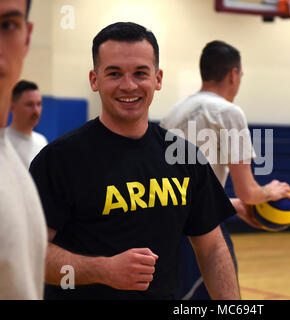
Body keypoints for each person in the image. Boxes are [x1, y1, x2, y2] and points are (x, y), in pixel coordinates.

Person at [29, 22, 240, 300]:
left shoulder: (184, 156)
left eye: (140, 73)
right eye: (114, 73)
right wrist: (101, 269)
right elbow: (31, 253)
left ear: (158, 78)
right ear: (95, 79)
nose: (128, 85)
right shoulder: (58, 160)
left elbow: (212, 248)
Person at [160, 40, 290, 299]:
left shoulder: (172, 114)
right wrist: (269, 191)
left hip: (168, 228)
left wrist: (229, 204)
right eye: (241, 75)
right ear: (234, 74)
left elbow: (182, 189)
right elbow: (248, 191)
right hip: (202, 233)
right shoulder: (228, 112)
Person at [0, 0, 47, 299]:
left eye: (7, 25)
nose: (36, 110)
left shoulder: (15, 167)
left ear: (27, 38)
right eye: (29, 104)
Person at [7, 80, 48, 168]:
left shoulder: (41, 141)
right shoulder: (4, 141)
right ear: (12, 106)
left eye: (39, 104)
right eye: (30, 105)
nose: (36, 111)